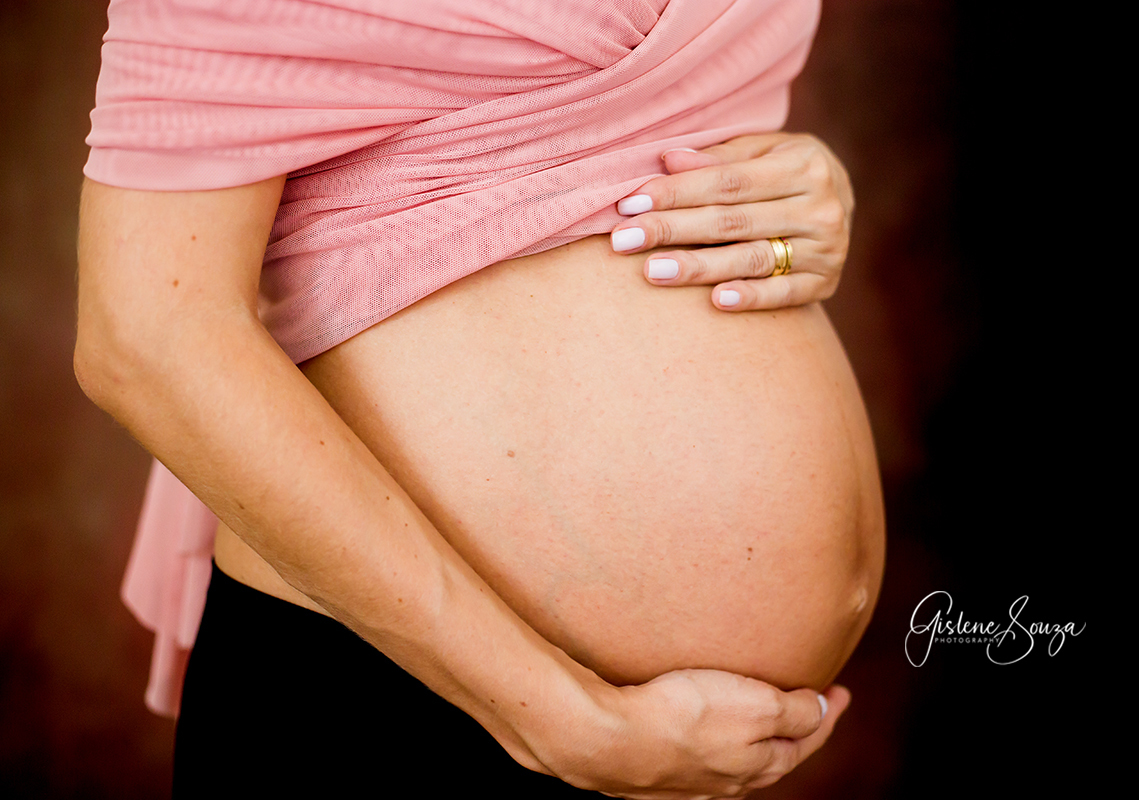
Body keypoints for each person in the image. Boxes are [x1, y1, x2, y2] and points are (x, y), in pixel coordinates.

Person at [75, 0, 884, 796]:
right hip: (395, 699)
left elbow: (672, 119)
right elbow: (145, 336)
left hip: (685, 749)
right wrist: (564, 720)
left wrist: (805, 189)